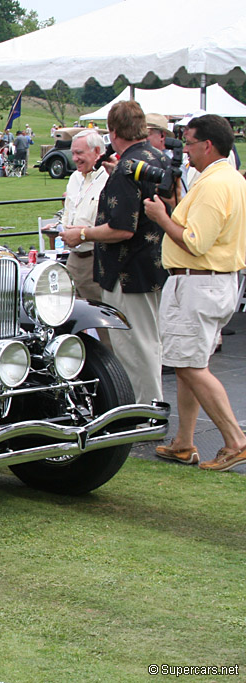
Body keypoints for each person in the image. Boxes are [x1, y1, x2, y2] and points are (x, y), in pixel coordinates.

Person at [143, 115, 246, 471]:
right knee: (188, 362)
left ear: (208, 145)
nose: (183, 151)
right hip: (209, 281)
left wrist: (160, 216)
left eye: (188, 143)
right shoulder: (226, 179)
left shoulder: (216, 184)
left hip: (199, 281)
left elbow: (194, 241)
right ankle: (184, 442)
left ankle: (235, 440)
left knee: (189, 365)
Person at [60, 100, 167, 405]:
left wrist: (81, 233)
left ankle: (142, 410)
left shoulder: (126, 170)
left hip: (127, 269)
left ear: (113, 131)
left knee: (133, 346)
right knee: (148, 340)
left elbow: (121, 228)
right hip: (153, 264)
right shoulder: (156, 157)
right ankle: (148, 405)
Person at [54, 130, 109, 316]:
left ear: (97, 152)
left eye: (80, 153)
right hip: (73, 259)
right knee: (68, 318)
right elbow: (69, 212)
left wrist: (83, 233)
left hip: (97, 260)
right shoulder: (74, 178)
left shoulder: (108, 179)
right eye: (73, 153)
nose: (74, 158)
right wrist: (59, 229)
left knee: (102, 322)